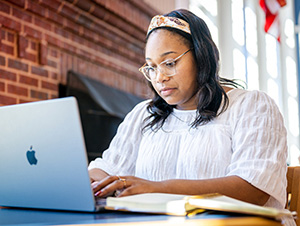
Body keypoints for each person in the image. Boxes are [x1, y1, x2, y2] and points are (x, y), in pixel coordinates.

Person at [88, 9, 288, 212]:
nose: (160, 77)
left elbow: (253, 188)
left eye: (170, 63)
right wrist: (89, 181)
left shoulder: (252, 106)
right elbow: (108, 169)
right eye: (152, 67)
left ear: (201, 56)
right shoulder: (144, 115)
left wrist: (159, 189)